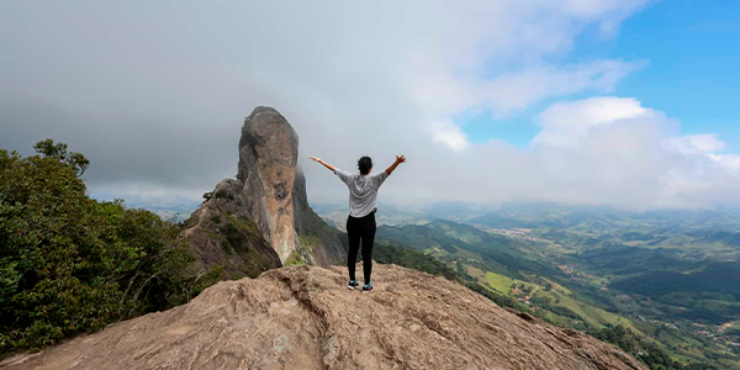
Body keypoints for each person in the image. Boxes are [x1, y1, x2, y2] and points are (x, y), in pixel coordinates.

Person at [309, 154, 406, 292]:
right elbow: (388, 171)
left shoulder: (351, 178)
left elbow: (335, 170)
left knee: (352, 251)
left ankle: (352, 281)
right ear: (371, 168)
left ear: (359, 168)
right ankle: (366, 284)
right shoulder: (375, 180)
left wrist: (320, 161)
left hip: (353, 221)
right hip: (368, 221)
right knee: (367, 253)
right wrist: (397, 162)